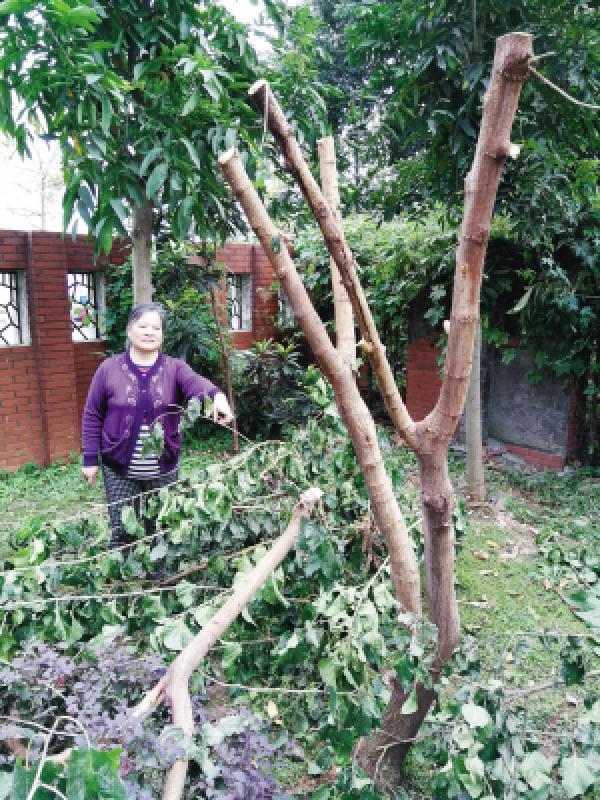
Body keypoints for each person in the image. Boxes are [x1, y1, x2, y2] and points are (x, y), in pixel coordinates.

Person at [81, 302, 233, 547]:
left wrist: (217, 397)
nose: (149, 332)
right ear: (130, 331)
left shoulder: (174, 369)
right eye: (143, 326)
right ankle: (123, 577)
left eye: (156, 327)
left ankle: (160, 578)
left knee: (162, 527)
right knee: (122, 529)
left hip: (163, 467)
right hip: (119, 468)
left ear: (162, 335)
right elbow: (92, 414)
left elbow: (195, 383)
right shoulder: (108, 369)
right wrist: (90, 459)